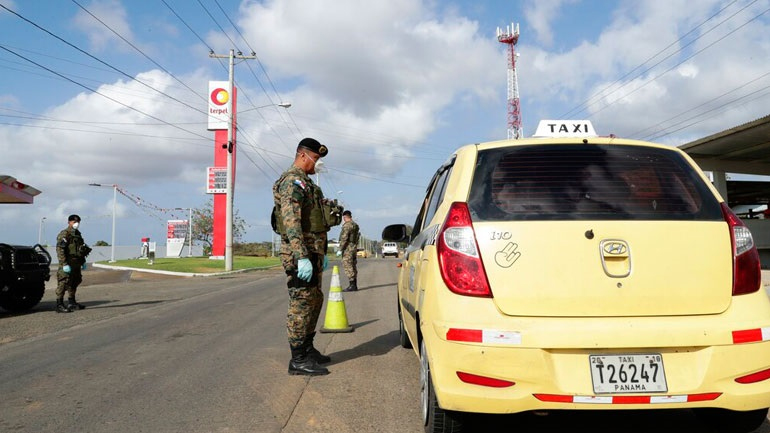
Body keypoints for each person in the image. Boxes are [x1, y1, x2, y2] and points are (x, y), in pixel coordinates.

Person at [273, 137, 333, 376]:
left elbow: (318, 221)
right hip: (300, 254)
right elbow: (291, 222)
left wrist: (320, 253)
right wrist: (301, 256)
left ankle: (307, 349)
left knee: (314, 300)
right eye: (315, 159)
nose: (316, 164)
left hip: (313, 252)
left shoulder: (308, 184)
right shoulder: (292, 182)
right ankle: (297, 359)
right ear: (302, 155)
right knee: (301, 304)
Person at [55, 214, 92, 313]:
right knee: (63, 282)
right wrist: (64, 264)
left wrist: (83, 261)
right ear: (69, 222)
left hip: (76, 262)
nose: (76, 224)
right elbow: (60, 249)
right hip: (67, 262)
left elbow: (81, 249)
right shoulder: (65, 234)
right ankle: (59, 304)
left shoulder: (78, 234)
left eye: (78, 222)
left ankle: (72, 302)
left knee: (75, 281)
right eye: (74, 222)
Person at [336, 210, 360, 292]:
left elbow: (344, 238)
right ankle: (354, 285)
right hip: (353, 247)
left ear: (344, 217)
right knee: (353, 265)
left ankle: (352, 285)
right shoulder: (355, 225)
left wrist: (340, 249)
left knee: (348, 265)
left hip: (348, 248)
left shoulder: (347, 226)